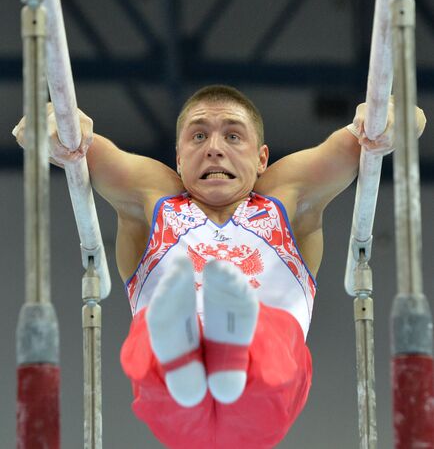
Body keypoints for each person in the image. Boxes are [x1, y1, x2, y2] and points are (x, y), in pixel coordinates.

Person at [13, 85, 426, 448]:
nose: (214, 147)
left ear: (262, 157)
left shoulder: (287, 195)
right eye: (198, 135)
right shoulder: (151, 194)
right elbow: (69, 140)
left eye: (232, 135)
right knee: (156, 340)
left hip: (266, 389)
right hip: (182, 403)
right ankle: (189, 349)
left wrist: (383, 119)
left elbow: (400, 121)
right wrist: (59, 124)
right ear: (177, 157)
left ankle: (221, 346)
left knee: (268, 334)